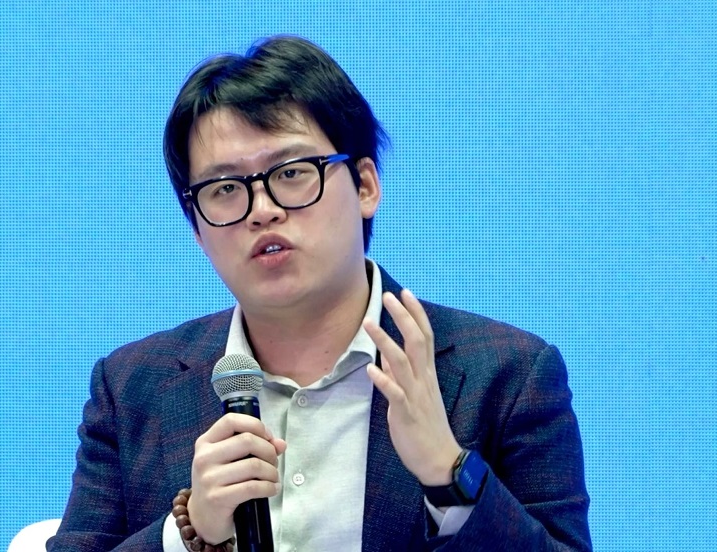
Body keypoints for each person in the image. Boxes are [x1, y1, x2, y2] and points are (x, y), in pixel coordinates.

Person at [49, 35, 591, 551]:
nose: (263, 210)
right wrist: (190, 533)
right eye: (225, 188)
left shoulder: (508, 375)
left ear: (365, 186)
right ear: (197, 227)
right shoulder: (132, 388)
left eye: (291, 173)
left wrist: (448, 474)